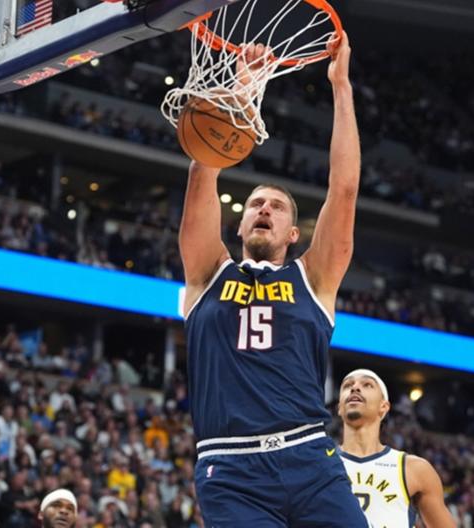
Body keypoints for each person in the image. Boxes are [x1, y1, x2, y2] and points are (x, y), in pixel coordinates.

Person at [179, 32, 368, 527]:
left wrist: (341, 85)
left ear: (293, 233)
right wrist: (241, 90)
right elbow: (203, 171)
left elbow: (344, 189)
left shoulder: (314, 279)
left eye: (277, 206)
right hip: (231, 470)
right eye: (255, 204)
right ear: (239, 225)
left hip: (310, 460)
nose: (264, 208)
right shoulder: (207, 273)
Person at [338, 370, 455, 528]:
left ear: (384, 406)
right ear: (339, 407)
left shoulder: (414, 469)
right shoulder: (320, 464)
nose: (355, 388)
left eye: (367, 384)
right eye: (348, 385)